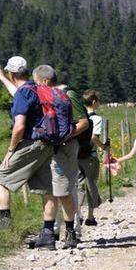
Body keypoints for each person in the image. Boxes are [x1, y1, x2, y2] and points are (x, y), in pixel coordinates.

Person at [0, 57, 54, 232]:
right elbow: (17, 92)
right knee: (46, 189)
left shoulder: (23, 93)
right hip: (47, 143)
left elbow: (19, 127)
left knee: (0, 178)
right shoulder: (36, 88)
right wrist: (2, 78)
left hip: (31, 143)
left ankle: (5, 221)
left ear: (12, 74)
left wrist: (11, 150)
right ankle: (49, 232)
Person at [54, 81, 90, 240]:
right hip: (61, 146)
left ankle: (71, 230)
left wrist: (61, 137)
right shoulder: (66, 94)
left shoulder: (67, 94)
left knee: (68, 187)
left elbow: (83, 123)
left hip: (65, 146)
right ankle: (59, 230)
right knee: (57, 188)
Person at [78, 89, 107, 226]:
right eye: (99, 101)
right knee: (90, 184)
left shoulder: (79, 117)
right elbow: (94, 137)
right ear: (94, 101)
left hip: (76, 155)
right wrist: (104, 147)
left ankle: (76, 214)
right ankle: (90, 216)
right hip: (90, 155)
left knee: (77, 185)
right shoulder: (97, 119)